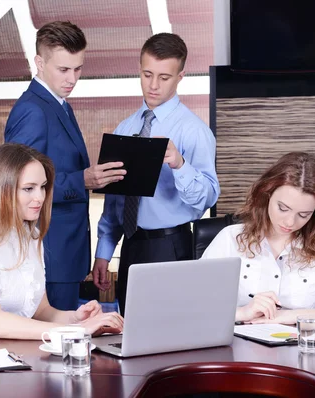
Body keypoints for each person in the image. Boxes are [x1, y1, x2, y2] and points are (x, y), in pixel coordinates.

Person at [92, 33, 220, 315]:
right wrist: (104, 251)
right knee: (130, 331)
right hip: (130, 247)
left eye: (164, 77)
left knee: (172, 332)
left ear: (180, 76)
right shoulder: (125, 128)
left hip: (171, 246)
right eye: (147, 74)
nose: (153, 85)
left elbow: (208, 197)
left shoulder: (194, 131)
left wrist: (179, 165)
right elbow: (116, 200)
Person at [5, 21, 126, 311]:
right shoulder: (33, 110)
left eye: (78, 68)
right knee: (55, 344)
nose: (72, 78)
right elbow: (18, 186)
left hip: (64, 252)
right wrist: (82, 180)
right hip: (49, 252)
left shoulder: (58, 103)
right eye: (63, 69)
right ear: (39, 62)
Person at [0, 143, 123, 340]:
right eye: (29, 188)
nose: (40, 197)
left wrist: (77, 318)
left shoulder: (31, 237)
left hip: (24, 356)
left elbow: (42, 311)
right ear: (2, 190)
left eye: (42, 187)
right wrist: (78, 331)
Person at [202, 152, 315, 328]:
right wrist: (241, 312)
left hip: (302, 348)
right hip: (236, 348)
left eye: (303, 214)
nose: (290, 222)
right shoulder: (231, 238)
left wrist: (290, 316)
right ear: (267, 194)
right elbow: (191, 308)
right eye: (283, 208)